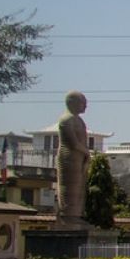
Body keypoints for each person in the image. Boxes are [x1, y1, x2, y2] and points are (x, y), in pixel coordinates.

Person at [56, 91, 90, 227]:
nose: (85, 106)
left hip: (80, 157)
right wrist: (86, 151)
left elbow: (83, 141)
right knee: (68, 186)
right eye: (83, 103)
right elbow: (73, 143)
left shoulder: (80, 121)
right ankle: (67, 215)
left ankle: (76, 214)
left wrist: (86, 154)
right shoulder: (66, 120)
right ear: (72, 103)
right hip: (68, 157)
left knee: (79, 187)